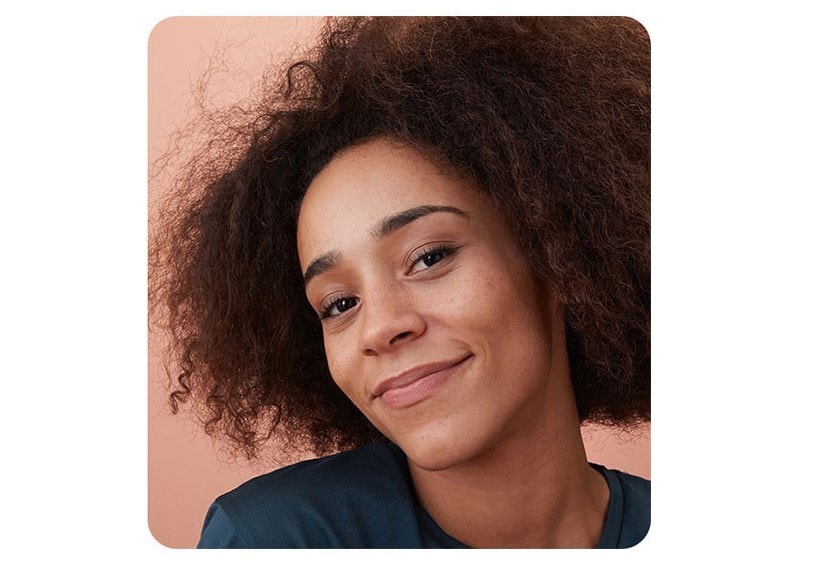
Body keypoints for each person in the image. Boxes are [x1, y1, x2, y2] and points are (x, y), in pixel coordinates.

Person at [149, 16, 650, 548]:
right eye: (339, 303)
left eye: (429, 257)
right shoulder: (276, 539)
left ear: (558, 257)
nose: (379, 328)